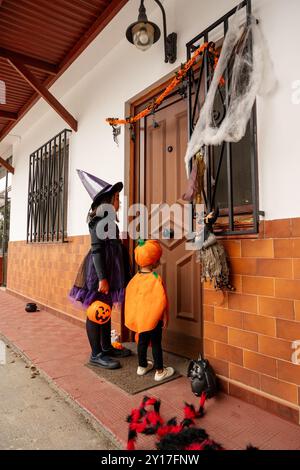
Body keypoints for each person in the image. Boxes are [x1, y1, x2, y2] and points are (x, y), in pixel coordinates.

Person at [70, 172, 131, 369]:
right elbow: (97, 251)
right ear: (108, 200)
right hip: (99, 273)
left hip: (110, 272)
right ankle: (96, 354)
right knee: (96, 310)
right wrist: (103, 278)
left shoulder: (109, 221)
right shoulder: (97, 222)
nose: (119, 202)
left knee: (105, 308)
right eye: (116, 198)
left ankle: (106, 347)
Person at [125, 240, 175, 381]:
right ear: (154, 262)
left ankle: (142, 366)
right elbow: (162, 300)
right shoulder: (156, 278)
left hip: (141, 319)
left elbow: (131, 300)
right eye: (158, 259)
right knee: (156, 343)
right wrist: (164, 316)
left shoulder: (134, 279)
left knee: (142, 342)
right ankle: (160, 371)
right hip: (154, 319)